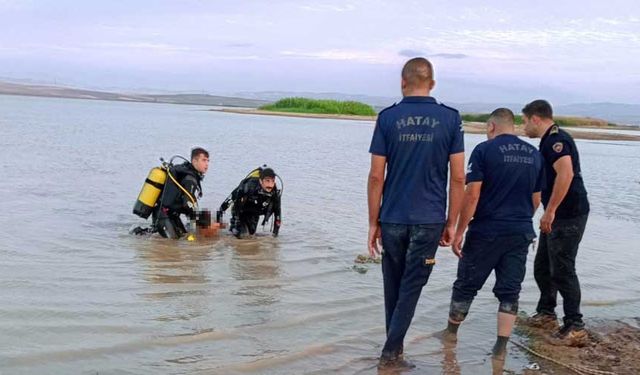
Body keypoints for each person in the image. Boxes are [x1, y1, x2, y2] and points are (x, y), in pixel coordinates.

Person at [367, 57, 465, 369]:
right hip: (429, 218)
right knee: (410, 287)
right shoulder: (450, 119)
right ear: (432, 84)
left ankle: (393, 352)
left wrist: (373, 221)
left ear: (402, 82)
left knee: (393, 286)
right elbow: (459, 177)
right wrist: (453, 221)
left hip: (393, 216)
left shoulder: (388, 118)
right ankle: (390, 354)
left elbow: (375, 176)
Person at [442, 108, 543, 361]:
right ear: (514, 125)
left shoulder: (484, 151)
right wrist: (520, 220)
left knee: (466, 284)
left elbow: (472, 194)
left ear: (491, 127)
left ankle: (451, 334)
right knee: (510, 290)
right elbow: (536, 198)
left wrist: (458, 231)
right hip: (520, 231)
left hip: (486, 230)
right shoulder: (534, 154)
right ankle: (500, 347)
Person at [522, 99, 590, 344]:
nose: (523, 126)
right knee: (543, 266)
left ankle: (575, 325)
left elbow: (566, 174)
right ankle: (546, 312)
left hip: (569, 213)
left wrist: (550, 211)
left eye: (525, 121)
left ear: (536, 119)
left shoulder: (556, 140)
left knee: (562, 269)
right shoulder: (547, 140)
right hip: (556, 214)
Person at [152, 147, 216, 239]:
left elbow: (183, 202)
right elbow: (187, 204)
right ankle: (139, 234)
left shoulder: (185, 171)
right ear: (194, 161)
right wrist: (203, 222)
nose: (207, 164)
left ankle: (142, 233)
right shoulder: (190, 179)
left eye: (208, 161)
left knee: (183, 237)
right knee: (172, 245)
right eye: (203, 160)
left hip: (169, 215)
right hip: (164, 216)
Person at [219, 166, 281, 239]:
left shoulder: (275, 194)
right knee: (242, 235)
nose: (270, 185)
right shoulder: (248, 186)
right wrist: (219, 215)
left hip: (255, 213)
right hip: (241, 211)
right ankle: (229, 233)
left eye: (272, 181)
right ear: (261, 181)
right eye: (267, 181)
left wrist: (275, 237)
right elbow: (230, 199)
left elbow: (278, 216)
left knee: (251, 235)